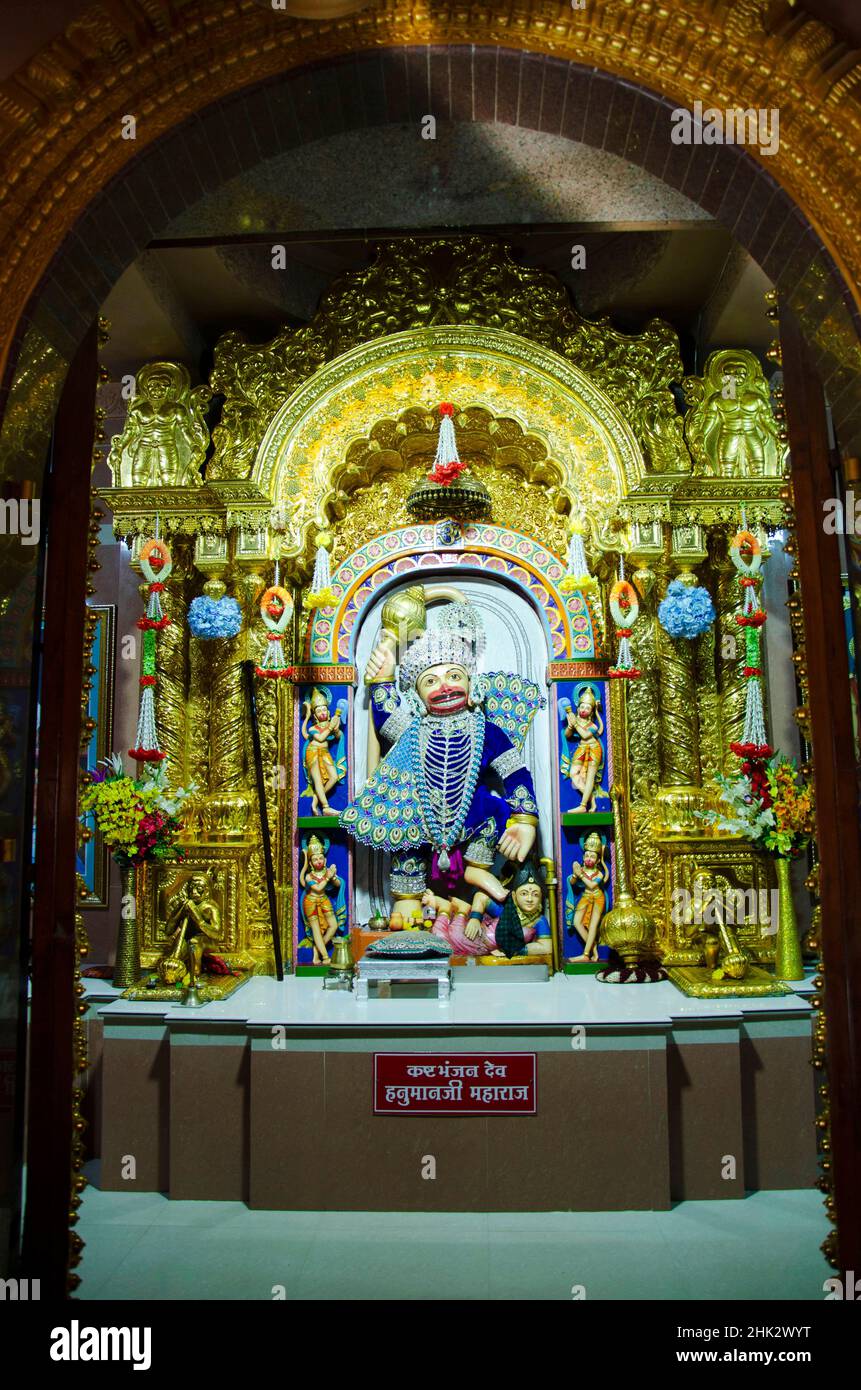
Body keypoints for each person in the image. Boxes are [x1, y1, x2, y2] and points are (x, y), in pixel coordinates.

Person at [341, 600, 542, 926]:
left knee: (495, 810)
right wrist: (383, 678)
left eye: (453, 676)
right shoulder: (413, 729)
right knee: (405, 838)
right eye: (430, 681)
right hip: (419, 815)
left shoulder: (486, 731)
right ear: (418, 696)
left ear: (470, 683)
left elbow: (515, 772)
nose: (444, 686)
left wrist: (525, 820)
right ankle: (407, 897)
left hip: (471, 816)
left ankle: (478, 870)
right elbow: (386, 717)